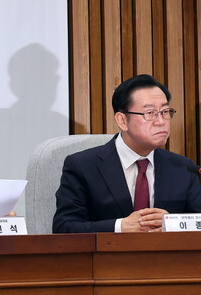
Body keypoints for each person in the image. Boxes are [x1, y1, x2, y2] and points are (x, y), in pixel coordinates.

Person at [53, 74, 201, 233]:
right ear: (122, 121)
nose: (161, 121)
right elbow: (64, 227)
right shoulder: (83, 166)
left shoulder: (184, 168)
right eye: (150, 113)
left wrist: (171, 224)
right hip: (108, 250)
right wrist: (120, 226)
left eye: (165, 111)